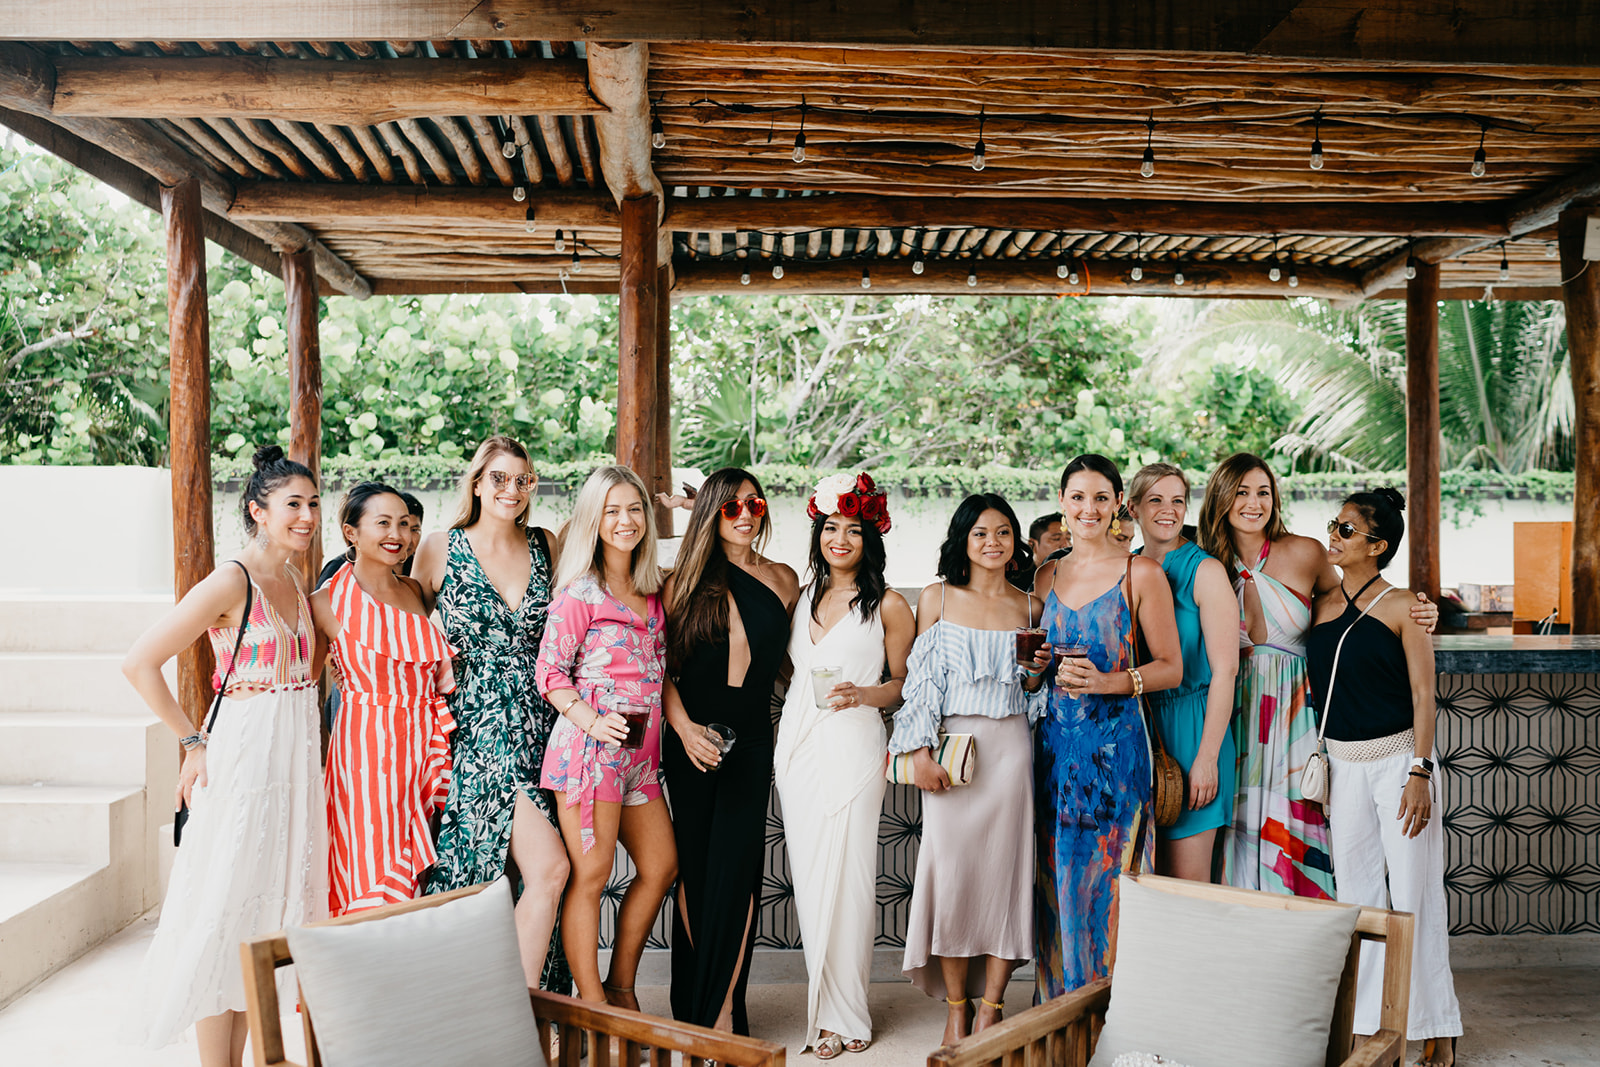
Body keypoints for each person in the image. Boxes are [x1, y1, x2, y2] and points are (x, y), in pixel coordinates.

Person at [122, 445, 326, 1065]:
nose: (307, 516)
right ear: (257, 511)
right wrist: (191, 741)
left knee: (264, 913)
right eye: (293, 505)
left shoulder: (293, 575)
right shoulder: (231, 579)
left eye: (314, 503)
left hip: (294, 757)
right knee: (224, 909)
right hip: (245, 754)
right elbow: (139, 662)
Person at [1198, 453, 1436, 899]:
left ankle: (1302, 959)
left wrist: (1418, 610)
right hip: (1228, 714)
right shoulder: (1204, 560)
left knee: (1301, 834)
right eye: (1242, 491)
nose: (1254, 503)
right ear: (1221, 497)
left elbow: (1355, 604)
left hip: (1296, 721)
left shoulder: (1305, 552)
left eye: (1264, 492)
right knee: (1235, 830)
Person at [1308, 489, 1461, 1066]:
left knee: (1414, 897)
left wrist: (1421, 770)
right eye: (1334, 525)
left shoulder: (1402, 607)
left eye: (1346, 530)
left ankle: (1435, 1025)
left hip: (1400, 764)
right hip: (1344, 768)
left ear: (1378, 546)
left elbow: (1426, 695)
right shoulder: (1322, 598)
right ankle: (1375, 1027)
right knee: (1361, 903)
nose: (1334, 536)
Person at [891, 493, 1049, 1046]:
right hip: (952, 751)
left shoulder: (1031, 606)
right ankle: (956, 1007)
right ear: (962, 539)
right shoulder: (936, 598)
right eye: (981, 532)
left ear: (1016, 543)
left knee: (1006, 877)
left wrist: (1035, 676)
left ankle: (992, 1007)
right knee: (952, 877)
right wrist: (919, 753)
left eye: (1003, 532)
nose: (993, 543)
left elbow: (1033, 692)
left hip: (1010, 750)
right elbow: (918, 688)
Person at [413, 436, 571, 991]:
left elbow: (616, 557)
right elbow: (397, 618)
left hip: (546, 727)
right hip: (477, 730)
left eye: (523, 479)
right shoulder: (438, 547)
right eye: (499, 478)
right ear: (477, 482)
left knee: (535, 877)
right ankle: (511, 1017)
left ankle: (526, 1010)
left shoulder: (547, 544)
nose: (512, 489)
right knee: (530, 869)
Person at [774, 472, 915, 1058]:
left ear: (870, 537)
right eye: (831, 528)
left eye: (852, 529)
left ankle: (848, 1016)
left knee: (852, 882)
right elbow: (789, 673)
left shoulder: (891, 604)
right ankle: (824, 1008)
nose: (840, 539)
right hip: (797, 748)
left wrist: (863, 695)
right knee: (808, 884)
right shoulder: (799, 597)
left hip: (856, 746)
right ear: (818, 533)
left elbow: (903, 685)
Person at [1033, 455, 1182, 999]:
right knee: (1056, 883)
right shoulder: (1046, 573)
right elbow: (1039, 665)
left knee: (1111, 884)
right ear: (1061, 501)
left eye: (1100, 497)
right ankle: (1059, 1021)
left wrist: (1109, 683)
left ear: (1118, 502)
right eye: (1077, 497)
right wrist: (1034, 672)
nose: (1088, 509)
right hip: (1051, 754)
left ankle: (1110, 1022)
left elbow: (1171, 666)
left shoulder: (1140, 572)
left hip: (1116, 755)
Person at [661, 468, 799, 1033]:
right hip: (690, 739)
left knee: (740, 874)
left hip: (753, 740)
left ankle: (721, 1013)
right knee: (695, 870)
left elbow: (795, 662)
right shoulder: (679, 582)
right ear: (710, 511)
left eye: (754, 504)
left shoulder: (786, 580)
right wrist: (686, 729)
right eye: (730, 506)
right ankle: (698, 1003)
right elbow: (659, 671)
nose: (745, 515)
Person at [536, 466, 677, 1010]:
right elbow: (549, 673)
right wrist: (592, 722)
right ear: (594, 520)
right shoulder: (580, 592)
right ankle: (593, 1011)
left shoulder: (653, 588)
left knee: (661, 866)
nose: (625, 521)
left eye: (635, 509)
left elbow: (660, 672)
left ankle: (621, 988)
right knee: (592, 876)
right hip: (592, 752)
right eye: (612, 511)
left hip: (643, 757)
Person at [311, 482, 455, 916]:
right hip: (365, 750)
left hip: (422, 743)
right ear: (351, 532)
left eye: (407, 525)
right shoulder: (324, 601)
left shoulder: (414, 591)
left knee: (416, 867)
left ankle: (401, 974)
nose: (399, 534)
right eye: (384, 523)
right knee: (369, 860)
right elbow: (304, 684)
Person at [1125, 463, 1237, 881]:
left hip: (1194, 727)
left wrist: (1207, 758)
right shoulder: (1127, 568)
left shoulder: (1205, 571)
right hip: (1140, 727)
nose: (1168, 510)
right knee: (1144, 884)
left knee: (1188, 889)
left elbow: (1226, 671)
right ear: (1133, 508)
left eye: (1177, 500)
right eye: (1155, 500)